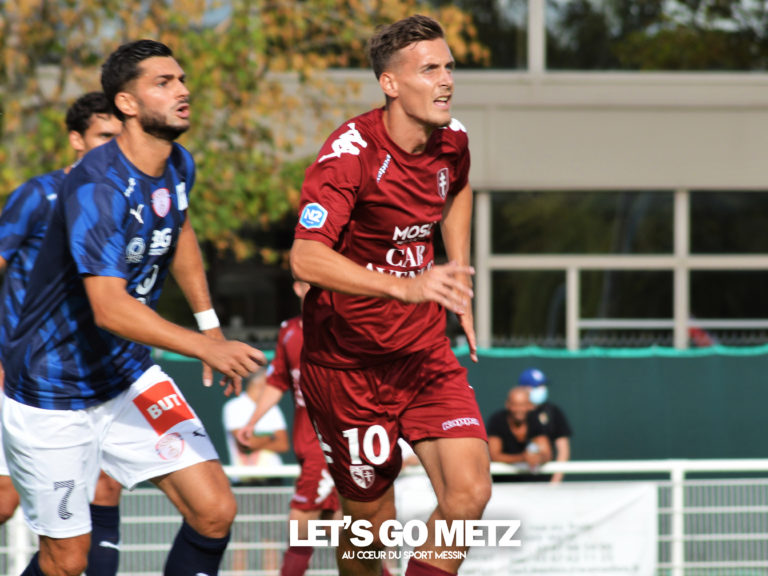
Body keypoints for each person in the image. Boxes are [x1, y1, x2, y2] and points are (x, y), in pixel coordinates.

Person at [1, 39, 265, 576]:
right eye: (163, 83)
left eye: (182, 79)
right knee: (66, 561)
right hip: (53, 393)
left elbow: (179, 230)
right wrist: (202, 349)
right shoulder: (95, 186)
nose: (182, 90)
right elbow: (109, 309)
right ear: (126, 103)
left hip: (126, 376)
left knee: (215, 510)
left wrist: (210, 326)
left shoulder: (178, 164)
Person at [290, 15, 491, 576]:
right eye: (430, 70)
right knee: (370, 530)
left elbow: (458, 187)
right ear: (390, 83)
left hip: (422, 354)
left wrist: (456, 275)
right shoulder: (349, 155)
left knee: (469, 492)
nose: (446, 80)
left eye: (449, 67)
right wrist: (407, 287)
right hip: (347, 368)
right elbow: (305, 258)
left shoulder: (453, 140)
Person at [0, 91, 125, 575]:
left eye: (120, 136)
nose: (114, 145)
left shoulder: (125, 201)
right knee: (5, 500)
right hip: (25, 374)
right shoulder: (40, 195)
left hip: (94, 374)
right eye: (104, 136)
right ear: (77, 139)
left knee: (106, 488)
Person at [236, 280, 342, 576]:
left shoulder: (345, 328)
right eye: (312, 283)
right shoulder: (289, 331)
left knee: (299, 529)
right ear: (297, 288)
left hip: (329, 447)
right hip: (307, 448)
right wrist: (252, 421)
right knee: (344, 533)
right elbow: (277, 381)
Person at [223, 365, 289, 485]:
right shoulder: (233, 407)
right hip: (244, 482)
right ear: (260, 383)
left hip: (273, 480)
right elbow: (246, 443)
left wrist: (255, 440)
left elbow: (283, 445)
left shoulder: (273, 409)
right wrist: (270, 438)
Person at [517, 368, 573, 483]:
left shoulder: (553, 412)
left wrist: (554, 483)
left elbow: (563, 450)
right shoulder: (510, 414)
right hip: (513, 482)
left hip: (544, 481)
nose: (542, 389)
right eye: (536, 386)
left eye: (543, 386)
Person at [486, 386, 552, 482]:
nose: (519, 409)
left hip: (531, 483)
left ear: (530, 405)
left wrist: (538, 458)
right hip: (503, 483)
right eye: (515, 405)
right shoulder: (497, 421)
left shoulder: (535, 420)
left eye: (523, 404)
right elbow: (494, 455)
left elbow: (547, 453)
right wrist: (523, 458)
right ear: (508, 405)